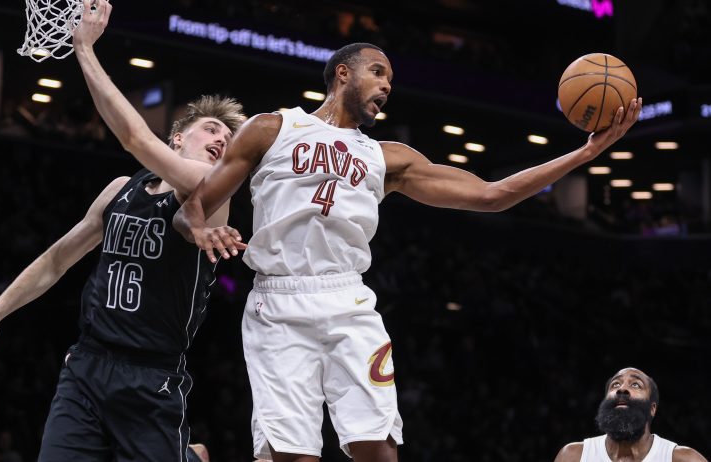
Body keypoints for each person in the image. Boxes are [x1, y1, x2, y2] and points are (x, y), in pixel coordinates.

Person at [168, 42, 644, 461]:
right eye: (378, 71)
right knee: (293, 454)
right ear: (342, 73)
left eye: (390, 79)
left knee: (378, 447)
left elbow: (493, 194)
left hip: (347, 300)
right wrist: (200, 230)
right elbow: (192, 208)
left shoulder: (388, 157)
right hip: (278, 300)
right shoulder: (272, 128)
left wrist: (585, 153)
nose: (387, 85)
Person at [0, 1, 246, 460]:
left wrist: (84, 48)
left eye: (227, 142)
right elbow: (56, 259)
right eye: (211, 129)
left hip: (151, 375)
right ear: (177, 138)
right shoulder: (120, 189)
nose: (219, 141)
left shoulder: (213, 191)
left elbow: (134, 138)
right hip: (88, 363)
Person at [554, 367, 706, 462]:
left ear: (652, 408)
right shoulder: (573, 457)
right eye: (616, 384)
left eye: (635, 384)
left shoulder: (683, 459)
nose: (622, 389)